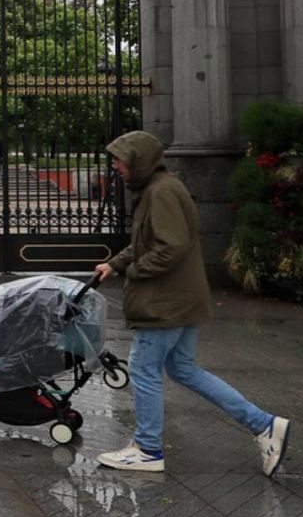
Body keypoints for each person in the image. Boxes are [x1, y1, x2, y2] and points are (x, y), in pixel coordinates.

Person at [92, 130, 290, 476]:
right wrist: (115, 264)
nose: (116, 165)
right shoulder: (159, 188)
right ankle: (263, 424)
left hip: (164, 301)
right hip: (180, 297)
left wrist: (135, 271)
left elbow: (170, 246)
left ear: (138, 159)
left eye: (120, 158)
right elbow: (147, 243)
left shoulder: (161, 193)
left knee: (143, 370)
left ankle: (148, 448)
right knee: (184, 370)